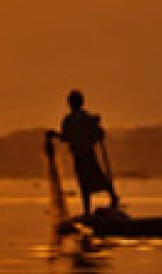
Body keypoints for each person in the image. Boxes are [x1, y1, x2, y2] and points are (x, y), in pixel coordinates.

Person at [46, 89, 120, 217]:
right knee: (94, 177)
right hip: (85, 154)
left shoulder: (71, 120)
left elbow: (66, 138)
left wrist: (54, 135)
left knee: (87, 181)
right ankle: (111, 197)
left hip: (82, 155)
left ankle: (92, 208)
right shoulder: (85, 118)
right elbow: (97, 135)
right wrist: (98, 130)